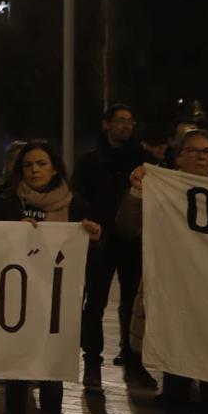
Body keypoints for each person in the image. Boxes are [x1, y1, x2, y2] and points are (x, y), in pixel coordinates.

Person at [122, 129, 208, 414]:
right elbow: (127, 227)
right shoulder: (161, 186)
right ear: (178, 156)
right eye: (193, 151)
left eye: (207, 151)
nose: (200, 157)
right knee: (178, 370)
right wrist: (137, 192)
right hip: (175, 292)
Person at [0, 139, 101, 414]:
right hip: (18, 299)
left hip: (59, 301)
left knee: (53, 370)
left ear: (54, 167)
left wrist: (93, 240)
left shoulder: (76, 204)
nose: (35, 170)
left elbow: (93, 259)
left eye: (41, 164)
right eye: (28, 165)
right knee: (18, 370)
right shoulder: (7, 202)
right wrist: (10, 232)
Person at [72, 103, 153, 391]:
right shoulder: (89, 161)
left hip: (133, 243)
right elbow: (77, 199)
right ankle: (92, 364)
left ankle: (133, 362)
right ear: (106, 124)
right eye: (120, 121)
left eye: (130, 121)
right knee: (95, 304)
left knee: (132, 305)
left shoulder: (144, 160)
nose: (126, 126)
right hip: (100, 242)